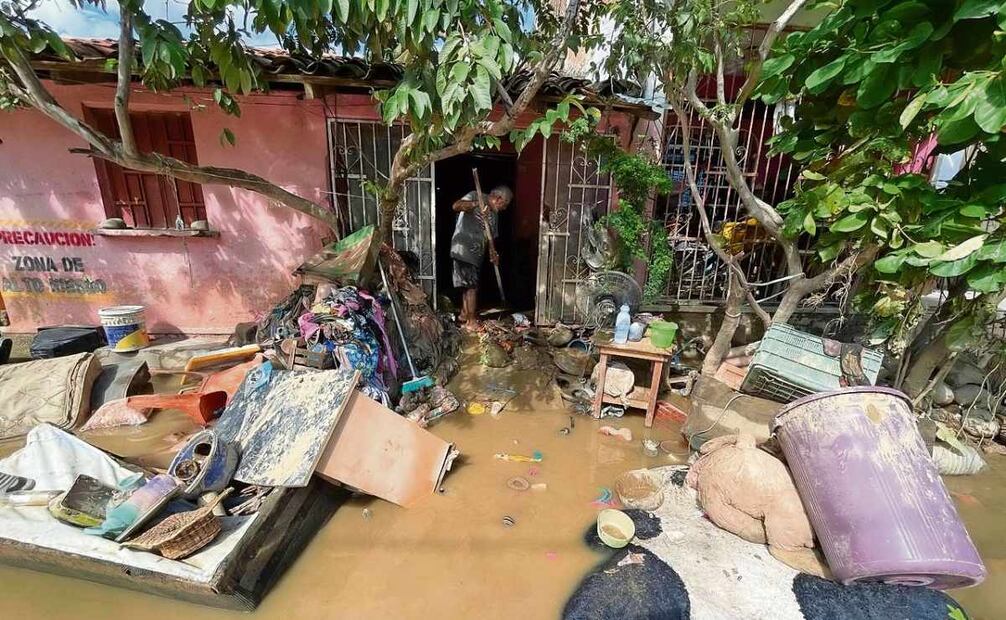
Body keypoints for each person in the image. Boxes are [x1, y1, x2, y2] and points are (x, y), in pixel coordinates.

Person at [450, 184, 512, 328]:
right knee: (471, 287)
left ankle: (464, 315)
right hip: (463, 249)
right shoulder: (474, 195)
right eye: (506, 203)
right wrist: (477, 204)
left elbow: (490, 237)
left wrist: (492, 252)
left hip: (476, 254)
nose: (505, 208)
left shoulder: (494, 214)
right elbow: (456, 206)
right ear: (499, 198)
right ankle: (471, 322)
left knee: (467, 285)